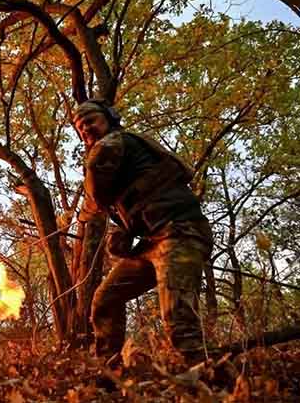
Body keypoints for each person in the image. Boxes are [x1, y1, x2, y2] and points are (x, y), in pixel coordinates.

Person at [73, 98, 213, 365]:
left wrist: (84, 214)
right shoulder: (119, 170)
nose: (86, 129)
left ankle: (207, 380)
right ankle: (109, 375)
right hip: (152, 244)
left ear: (109, 119)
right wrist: (121, 234)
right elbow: (131, 209)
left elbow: (95, 184)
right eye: (80, 128)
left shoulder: (115, 143)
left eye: (90, 121)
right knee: (105, 300)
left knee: (178, 318)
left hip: (181, 234)